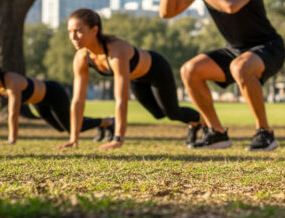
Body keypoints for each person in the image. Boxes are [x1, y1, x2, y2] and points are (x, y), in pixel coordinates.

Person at [160, 0, 285, 151]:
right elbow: (167, 12)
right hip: (234, 49)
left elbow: (231, 4)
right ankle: (217, 132)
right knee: (190, 70)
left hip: (268, 47)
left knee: (240, 67)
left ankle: (265, 132)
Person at [61, 8, 203, 150]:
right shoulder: (82, 57)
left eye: (78, 31)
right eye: (69, 32)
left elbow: (121, 99)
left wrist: (118, 139)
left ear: (94, 30)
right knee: (158, 114)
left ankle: (205, 122)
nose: (73, 37)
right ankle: (197, 124)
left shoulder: (116, 50)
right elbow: (78, 100)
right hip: (136, 79)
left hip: (157, 69)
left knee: (172, 113)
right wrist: (74, 138)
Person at [0, 55, 113, 144]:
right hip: (39, 103)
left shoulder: (11, 80)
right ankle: (103, 124)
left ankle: (108, 121)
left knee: (72, 128)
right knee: (61, 127)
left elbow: (13, 113)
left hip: (53, 93)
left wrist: (11, 140)